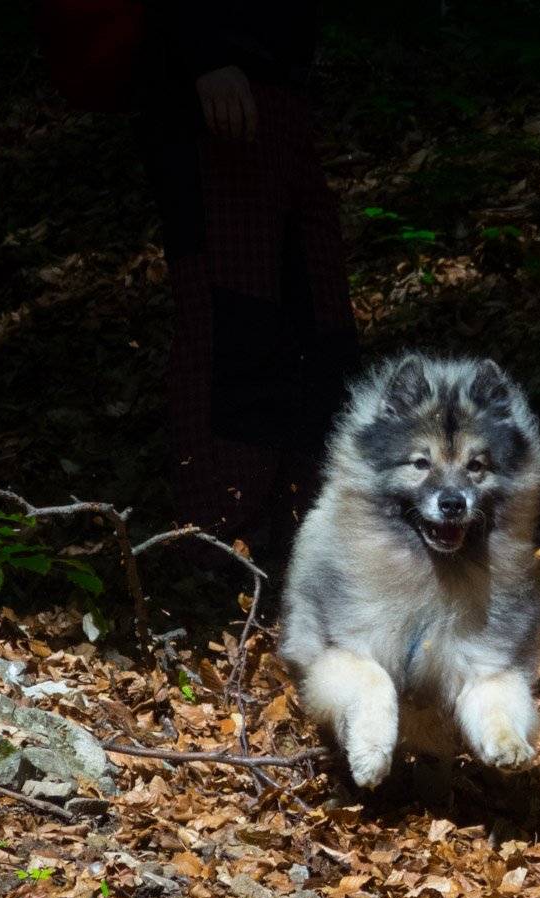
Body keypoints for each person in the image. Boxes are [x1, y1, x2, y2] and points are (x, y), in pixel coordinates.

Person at [131, 2, 358, 563]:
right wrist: (205, 55)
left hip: (279, 90)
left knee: (319, 324)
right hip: (213, 88)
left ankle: (303, 533)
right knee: (235, 319)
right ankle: (223, 542)